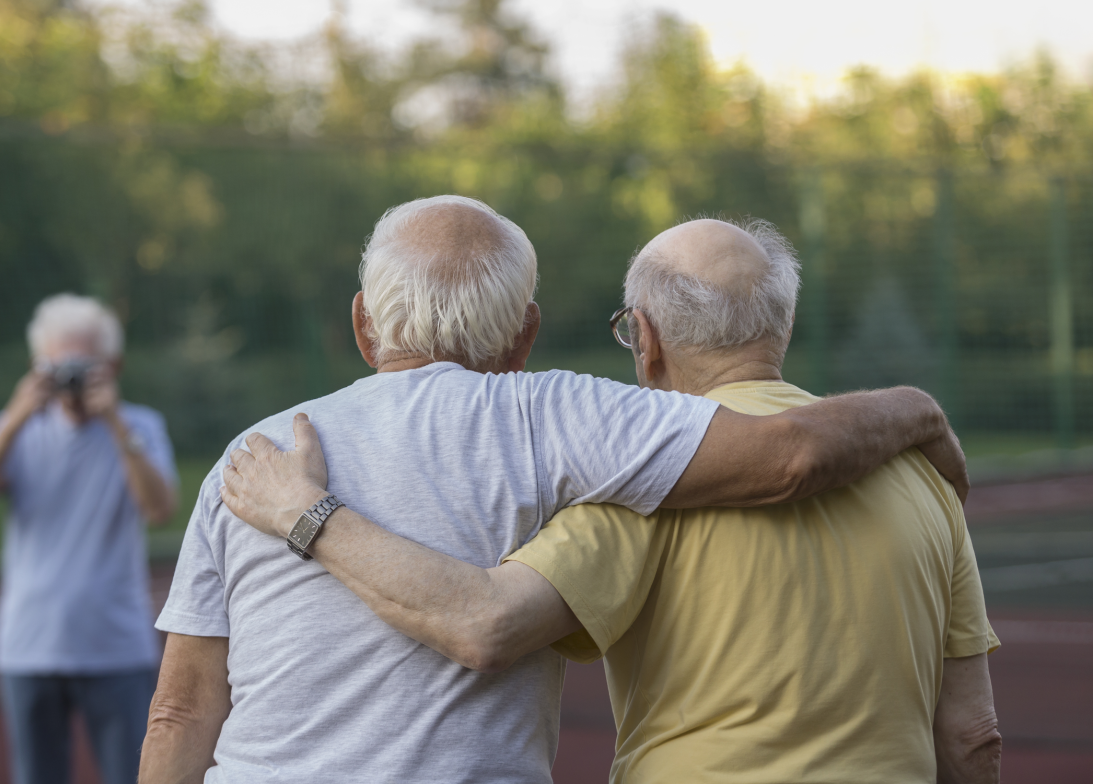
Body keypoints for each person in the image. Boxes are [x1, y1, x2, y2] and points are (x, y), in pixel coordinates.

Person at [141, 196, 967, 784]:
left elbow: (179, 714)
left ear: (363, 324)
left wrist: (304, 512)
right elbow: (790, 454)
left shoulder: (247, 464)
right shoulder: (560, 415)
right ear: (526, 333)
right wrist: (920, 411)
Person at [0, 294, 179, 784]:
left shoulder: (140, 426)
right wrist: (13, 419)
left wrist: (115, 423)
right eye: (57, 364)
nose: (70, 377)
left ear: (112, 365)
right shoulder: (17, 430)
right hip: (29, 646)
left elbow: (159, 510)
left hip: (114, 645)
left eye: (83, 364)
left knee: (132, 775)